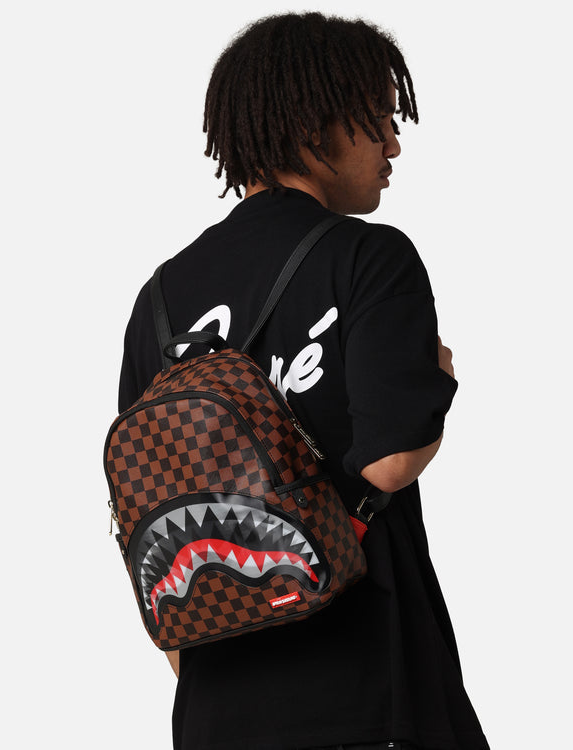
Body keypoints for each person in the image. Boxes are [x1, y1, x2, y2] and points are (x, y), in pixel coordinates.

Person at [118, 12, 490, 750]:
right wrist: (437, 381)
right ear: (314, 124)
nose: (393, 144)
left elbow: (138, 519)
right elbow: (391, 459)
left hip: (214, 709)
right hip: (369, 691)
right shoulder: (368, 258)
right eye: (379, 118)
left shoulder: (159, 298)